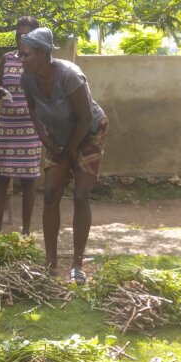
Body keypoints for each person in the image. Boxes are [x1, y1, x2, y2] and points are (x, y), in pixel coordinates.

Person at [18, 27, 108, 284]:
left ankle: (77, 265)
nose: (21, 60)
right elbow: (33, 110)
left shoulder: (70, 76)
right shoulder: (27, 79)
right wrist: (45, 139)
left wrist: (71, 149)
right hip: (57, 137)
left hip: (89, 132)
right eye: (20, 54)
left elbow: (86, 117)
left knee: (80, 196)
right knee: (50, 193)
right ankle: (50, 262)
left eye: (26, 55)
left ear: (43, 53)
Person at [0, 17, 42, 235]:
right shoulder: (7, 58)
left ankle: (26, 232)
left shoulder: (40, 60)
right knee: (1, 178)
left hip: (30, 127)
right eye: (18, 33)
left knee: (28, 181)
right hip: (7, 126)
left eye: (26, 34)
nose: (21, 37)